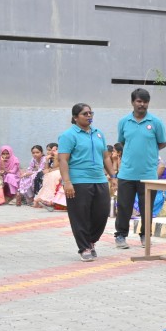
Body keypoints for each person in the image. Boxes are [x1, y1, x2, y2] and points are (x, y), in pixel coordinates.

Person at [56, 103, 115, 261]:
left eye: (91, 113)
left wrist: (113, 176)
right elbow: (63, 160)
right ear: (75, 117)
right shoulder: (68, 135)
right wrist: (67, 182)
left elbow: (106, 157)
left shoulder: (98, 134)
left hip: (99, 179)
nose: (89, 116)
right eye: (85, 114)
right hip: (78, 181)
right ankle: (84, 248)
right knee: (80, 216)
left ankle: (91, 241)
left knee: (102, 213)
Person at [115, 88, 166, 248]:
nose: (142, 104)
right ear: (132, 102)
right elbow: (122, 141)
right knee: (124, 207)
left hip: (148, 174)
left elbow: (162, 143)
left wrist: (148, 152)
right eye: (139, 101)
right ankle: (121, 236)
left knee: (147, 208)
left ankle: (145, 235)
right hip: (126, 173)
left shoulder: (156, 122)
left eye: (145, 102)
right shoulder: (124, 122)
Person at [36, 143, 67, 210]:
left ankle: (50, 200)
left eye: (53, 150)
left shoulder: (60, 156)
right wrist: (47, 160)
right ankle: (46, 199)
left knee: (52, 175)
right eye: (48, 150)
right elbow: (46, 170)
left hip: (62, 173)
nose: (50, 152)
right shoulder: (49, 158)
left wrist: (56, 156)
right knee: (48, 175)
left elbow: (57, 167)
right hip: (56, 173)